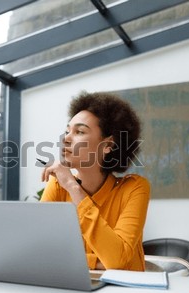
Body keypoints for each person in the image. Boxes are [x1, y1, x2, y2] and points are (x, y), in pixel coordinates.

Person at [40, 91, 150, 271]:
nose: (66, 138)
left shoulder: (134, 188)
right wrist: (99, 263)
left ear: (107, 146)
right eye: (67, 130)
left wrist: (72, 187)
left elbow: (116, 259)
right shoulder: (57, 185)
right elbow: (39, 252)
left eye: (79, 132)